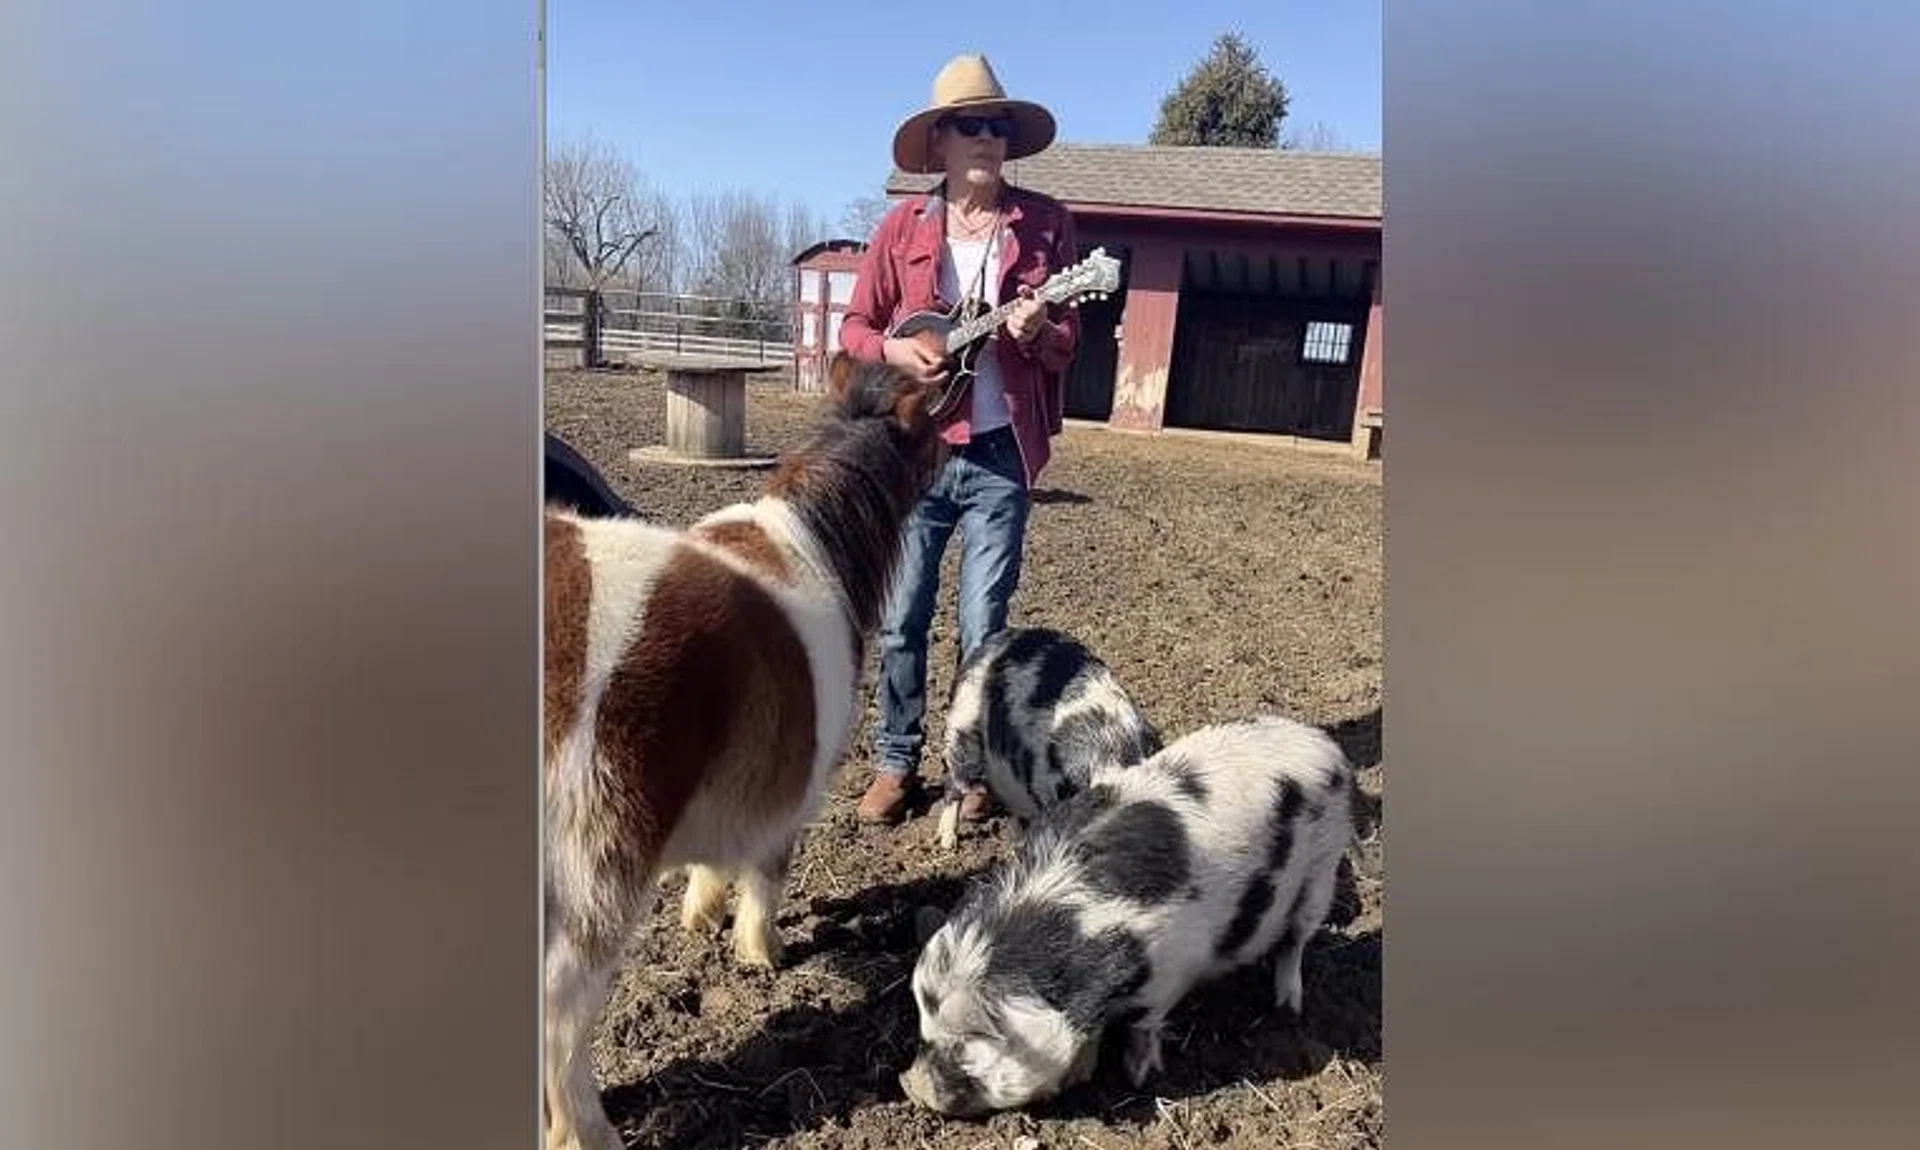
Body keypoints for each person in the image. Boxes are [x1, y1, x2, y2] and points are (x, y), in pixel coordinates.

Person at [838, 53, 1082, 825]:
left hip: (1001, 451)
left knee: (984, 623)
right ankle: (895, 761)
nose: (986, 137)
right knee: (903, 616)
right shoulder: (901, 227)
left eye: (997, 125)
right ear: (940, 139)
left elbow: (1068, 340)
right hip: (915, 453)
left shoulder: (1045, 226)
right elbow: (854, 328)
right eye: (971, 124)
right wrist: (894, 350)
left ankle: (973, 770)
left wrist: (1040, 329)